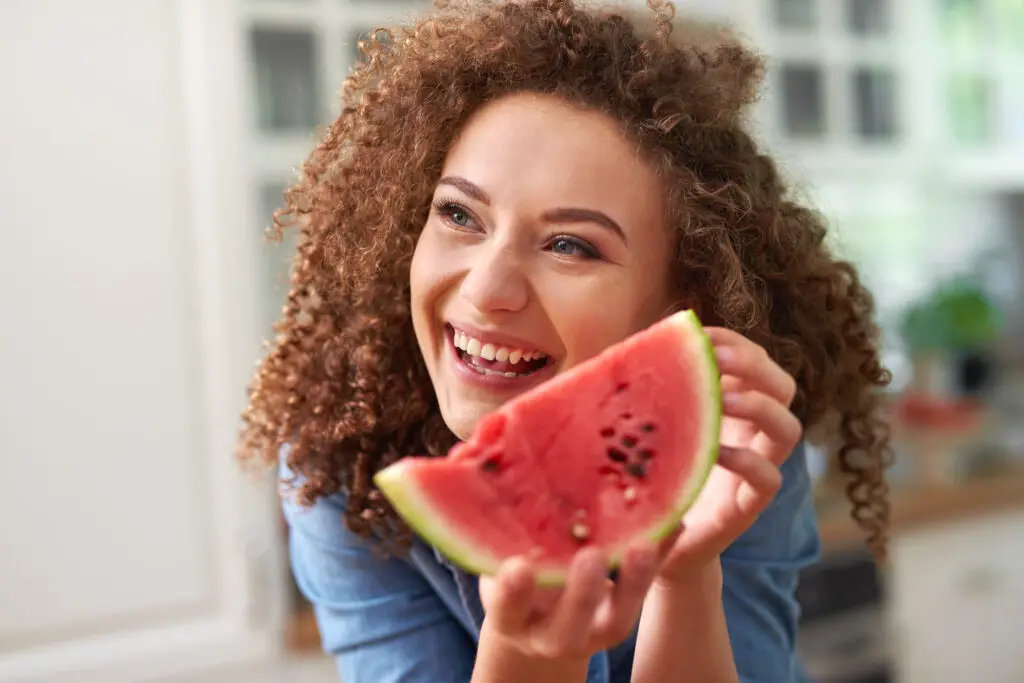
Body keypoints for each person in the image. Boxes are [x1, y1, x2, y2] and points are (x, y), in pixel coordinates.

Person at [237, 1, 893, 681]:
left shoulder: (733, 443)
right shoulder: (343, 468)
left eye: (570, 245)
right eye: (459, 214)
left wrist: (686, 578)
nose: (489, 288)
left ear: (680, 301)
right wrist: (526, 652)